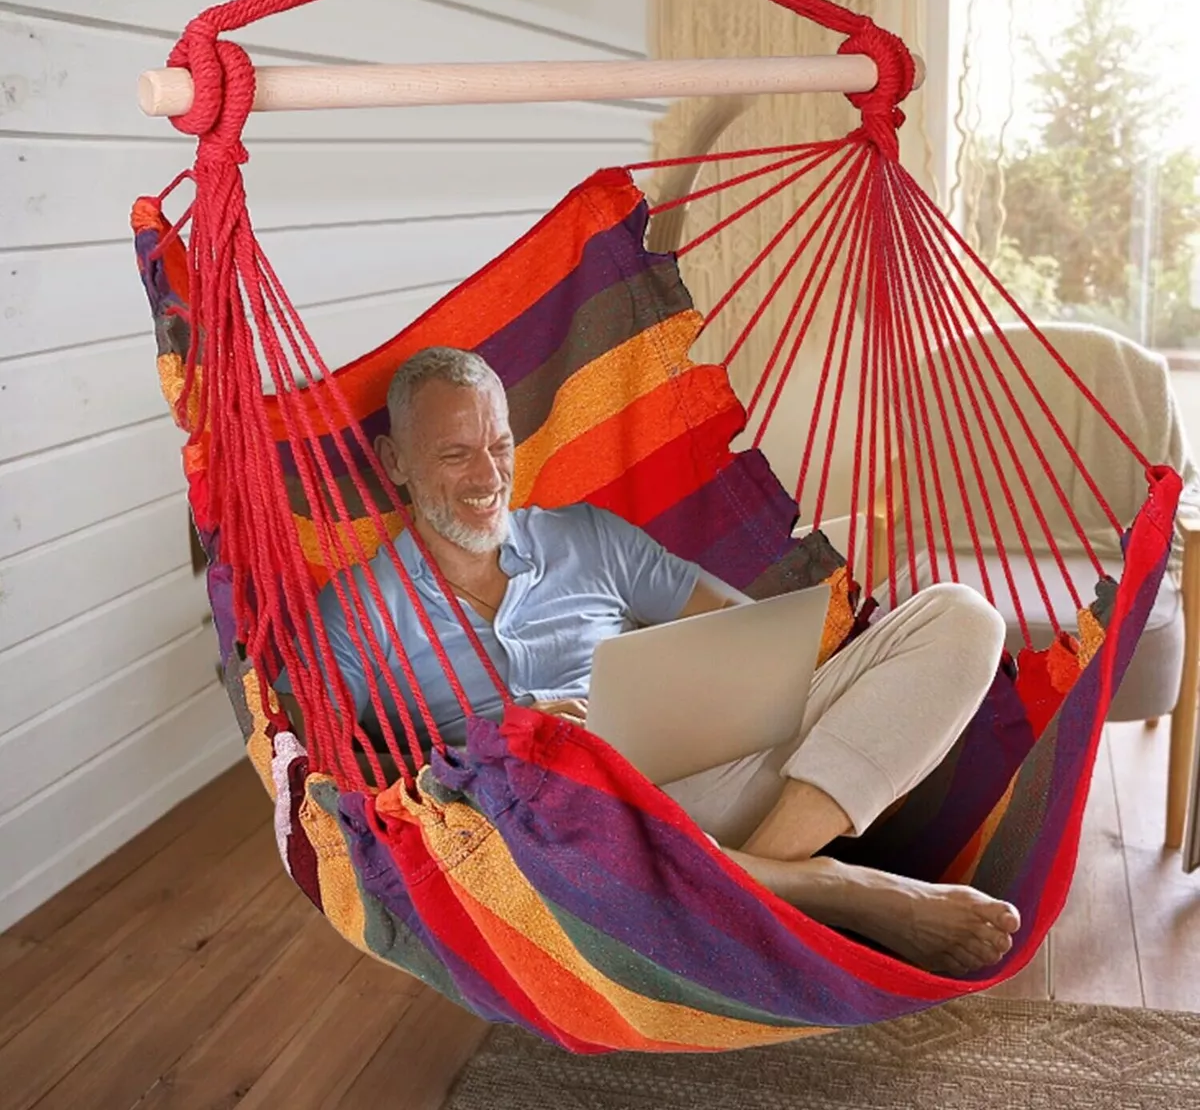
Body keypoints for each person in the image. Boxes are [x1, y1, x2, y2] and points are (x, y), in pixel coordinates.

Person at [282, 346, 1019, 977]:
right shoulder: (355, 612)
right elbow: (319, 771)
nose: (487, 478)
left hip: (706, 790)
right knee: (550, 785)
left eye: (499, 446)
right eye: (454, 454)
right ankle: (822, 887)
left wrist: (661, 688)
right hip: (555, 844)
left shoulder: (588, 539)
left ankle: (749, 892)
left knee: (963, 615)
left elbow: (747, 634)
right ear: (395, 464)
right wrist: (493, 746)